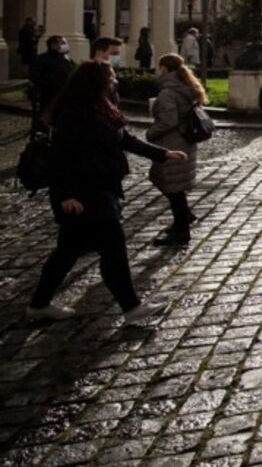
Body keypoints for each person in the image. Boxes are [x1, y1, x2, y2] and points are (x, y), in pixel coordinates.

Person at [26, 61, 185, 323]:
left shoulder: (102, 108)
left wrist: (163, 154)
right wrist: (66, 195)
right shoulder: (75, 113)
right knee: (113, 250)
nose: (113, 81)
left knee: (66, 253)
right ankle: (131, 307)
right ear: (95, 82)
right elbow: (60, 158)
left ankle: (39, 305)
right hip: (85, 193)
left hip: (101, 187)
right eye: (110, 77)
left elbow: (124, 139)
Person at [146, 54, 206, 245]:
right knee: (171, 184)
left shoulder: (168, 92)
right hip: (184, 141)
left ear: (164, 68)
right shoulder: (184, 86)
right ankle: (184, 217)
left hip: (172, 143)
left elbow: (169, 120)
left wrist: (150, 133)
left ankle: (181, 229)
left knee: (173, 188)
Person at [30, 35, 74, 133]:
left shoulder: (67, 59)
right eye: (61, 43)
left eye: (64, 43)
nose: (63, 45)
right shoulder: (42, 59)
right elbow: (35, 76)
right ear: (53, 45)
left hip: (65, 95)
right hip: (49, 95)